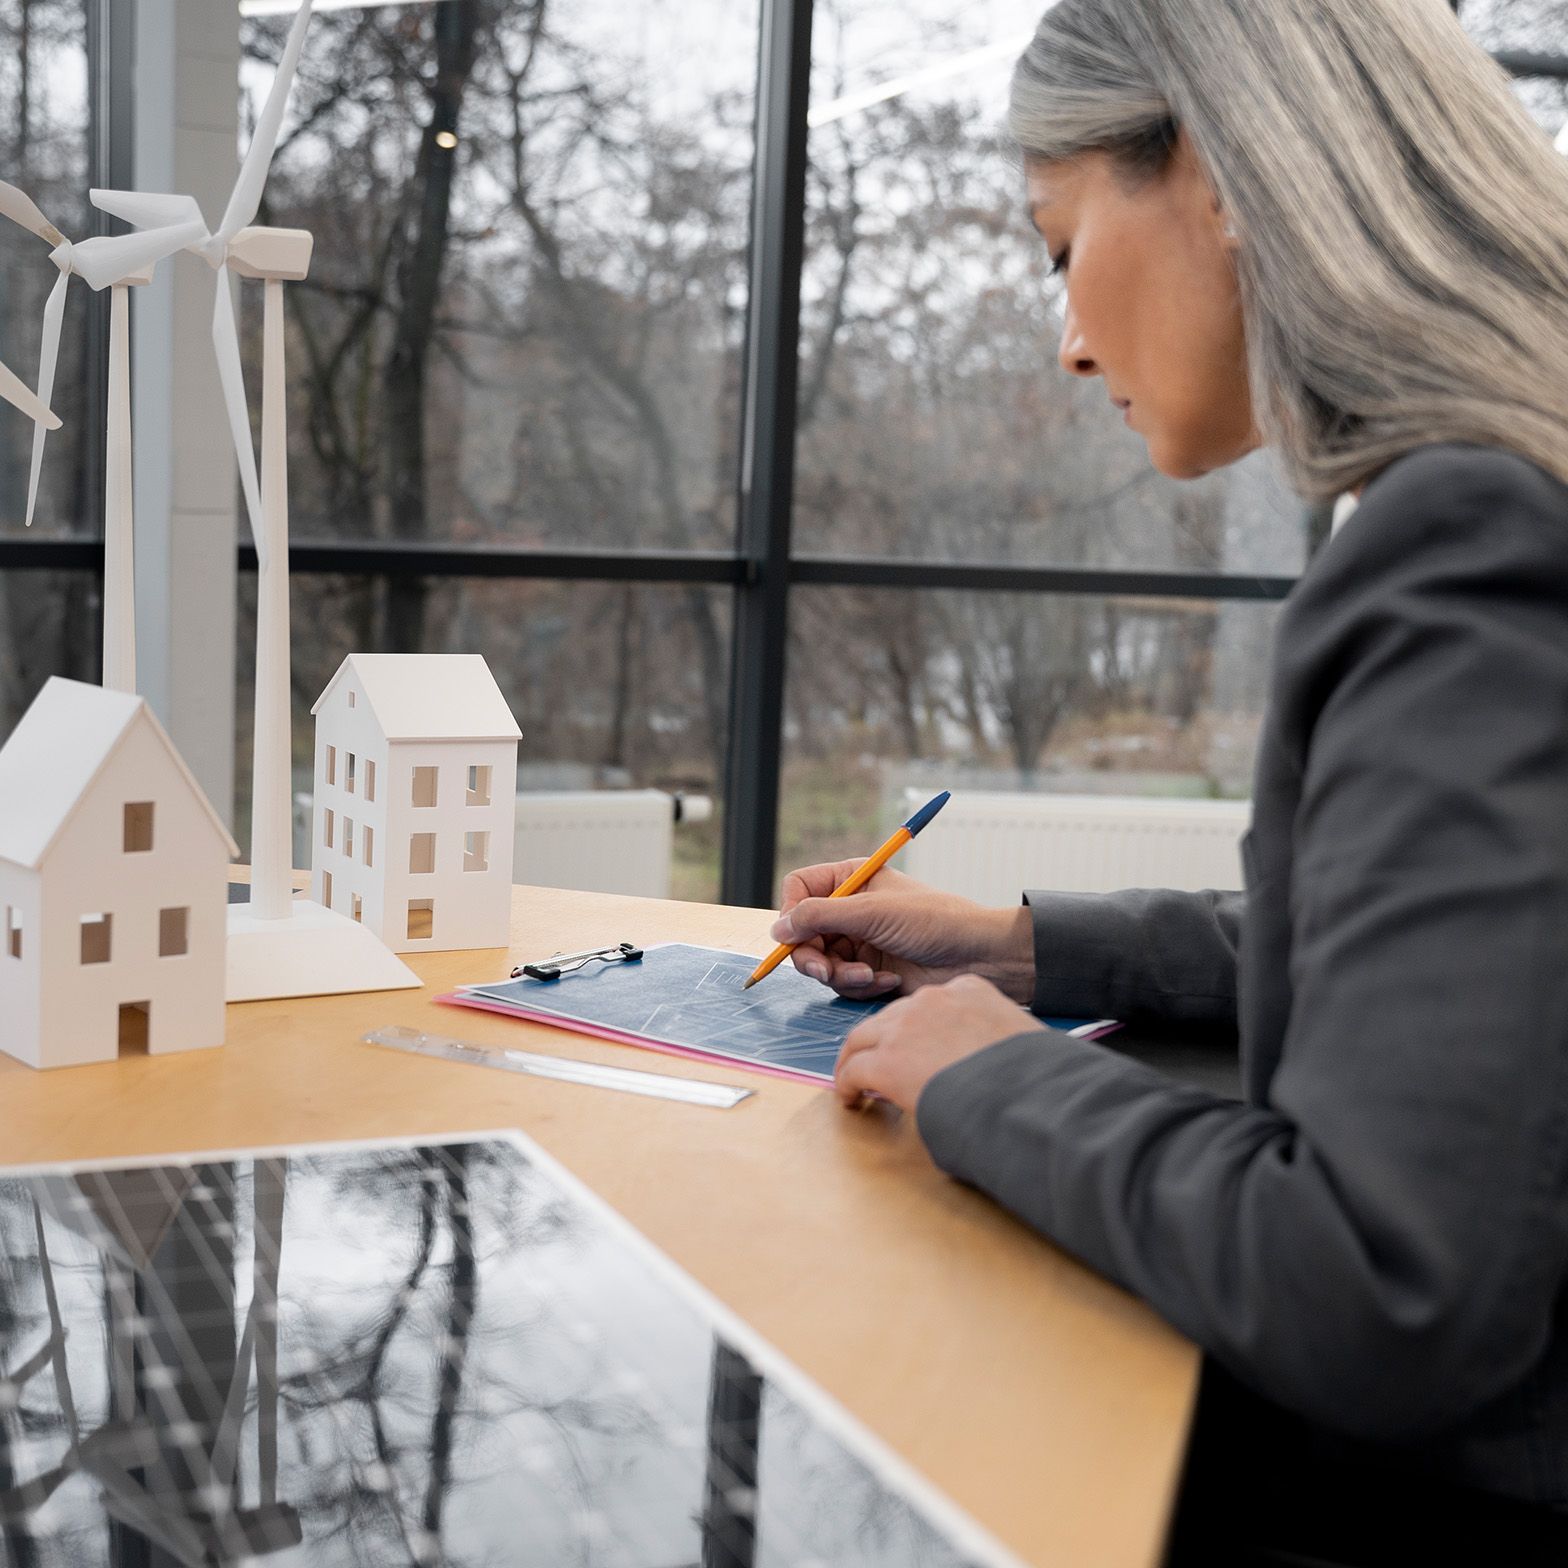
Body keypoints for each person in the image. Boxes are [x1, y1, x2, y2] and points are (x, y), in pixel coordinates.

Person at [773, 0, 1568, 1560]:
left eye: (1059, 246)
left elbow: (1379, 1290)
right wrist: (1014, 946)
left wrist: (988, 1074)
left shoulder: (1466, 543)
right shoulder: (1503, 505)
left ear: (1211, 169)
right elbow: (1442, 977)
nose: (1068, 338)